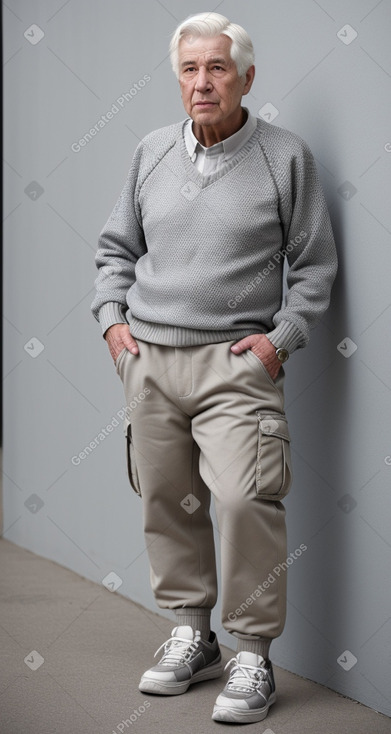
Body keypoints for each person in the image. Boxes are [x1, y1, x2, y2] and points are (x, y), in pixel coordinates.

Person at [91, 11, 338, 725]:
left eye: (217, 68)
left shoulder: (283, 157)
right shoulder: (149, 153)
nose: (202, 82)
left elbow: (316, 265)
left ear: (246, 78)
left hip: (237, 366)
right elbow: (114, 249)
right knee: (167, 500)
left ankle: (252, 654)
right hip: (149, 361)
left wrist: (278, 340)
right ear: (178, 81)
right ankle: (190, 635)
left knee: (242, 500)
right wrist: (112, 323)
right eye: (190, 70)